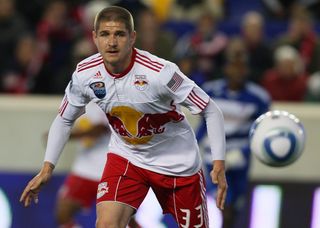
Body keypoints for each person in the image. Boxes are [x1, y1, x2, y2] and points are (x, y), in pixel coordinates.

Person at [20, 6, 227, 228]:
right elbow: (64, 119)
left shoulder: (161, 72)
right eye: (105, 34)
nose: (111, 42)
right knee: (107, 224)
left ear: (132, 38)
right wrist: (47, 168)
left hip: (177, 163)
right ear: (94, 37)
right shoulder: (85, 74)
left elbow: (210, 109)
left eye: (119, 34)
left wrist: (218, 163)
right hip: (128, 157)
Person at [196, 38, 271, 228]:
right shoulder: (211, 91)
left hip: (240, 159)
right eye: (234, 66)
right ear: (226, 68)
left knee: (235, 209)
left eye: (242, 67)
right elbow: (203, 126)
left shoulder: (259, 97)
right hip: (214, 157)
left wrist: (244, 153)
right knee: (225, 207)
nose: (238, 71)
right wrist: (193, 147)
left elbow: (260, 133)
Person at [54, 101, 140, 227]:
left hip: (109, 169)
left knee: (124, 220)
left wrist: (65, 135)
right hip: (84, 169)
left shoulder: (108, 99)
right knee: (63, 213)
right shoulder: (79, 100)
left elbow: (100, 128)